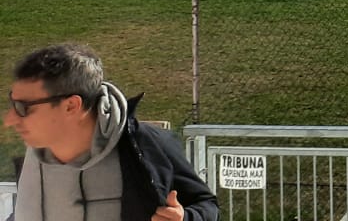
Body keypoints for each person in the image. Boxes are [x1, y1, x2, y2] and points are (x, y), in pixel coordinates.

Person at [4, 42, 219, 221]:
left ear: (71, 106)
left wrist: (186, 218)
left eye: (24, 108)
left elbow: (207, 206)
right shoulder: (36, 153)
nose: (9, 120)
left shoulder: (146, 146)